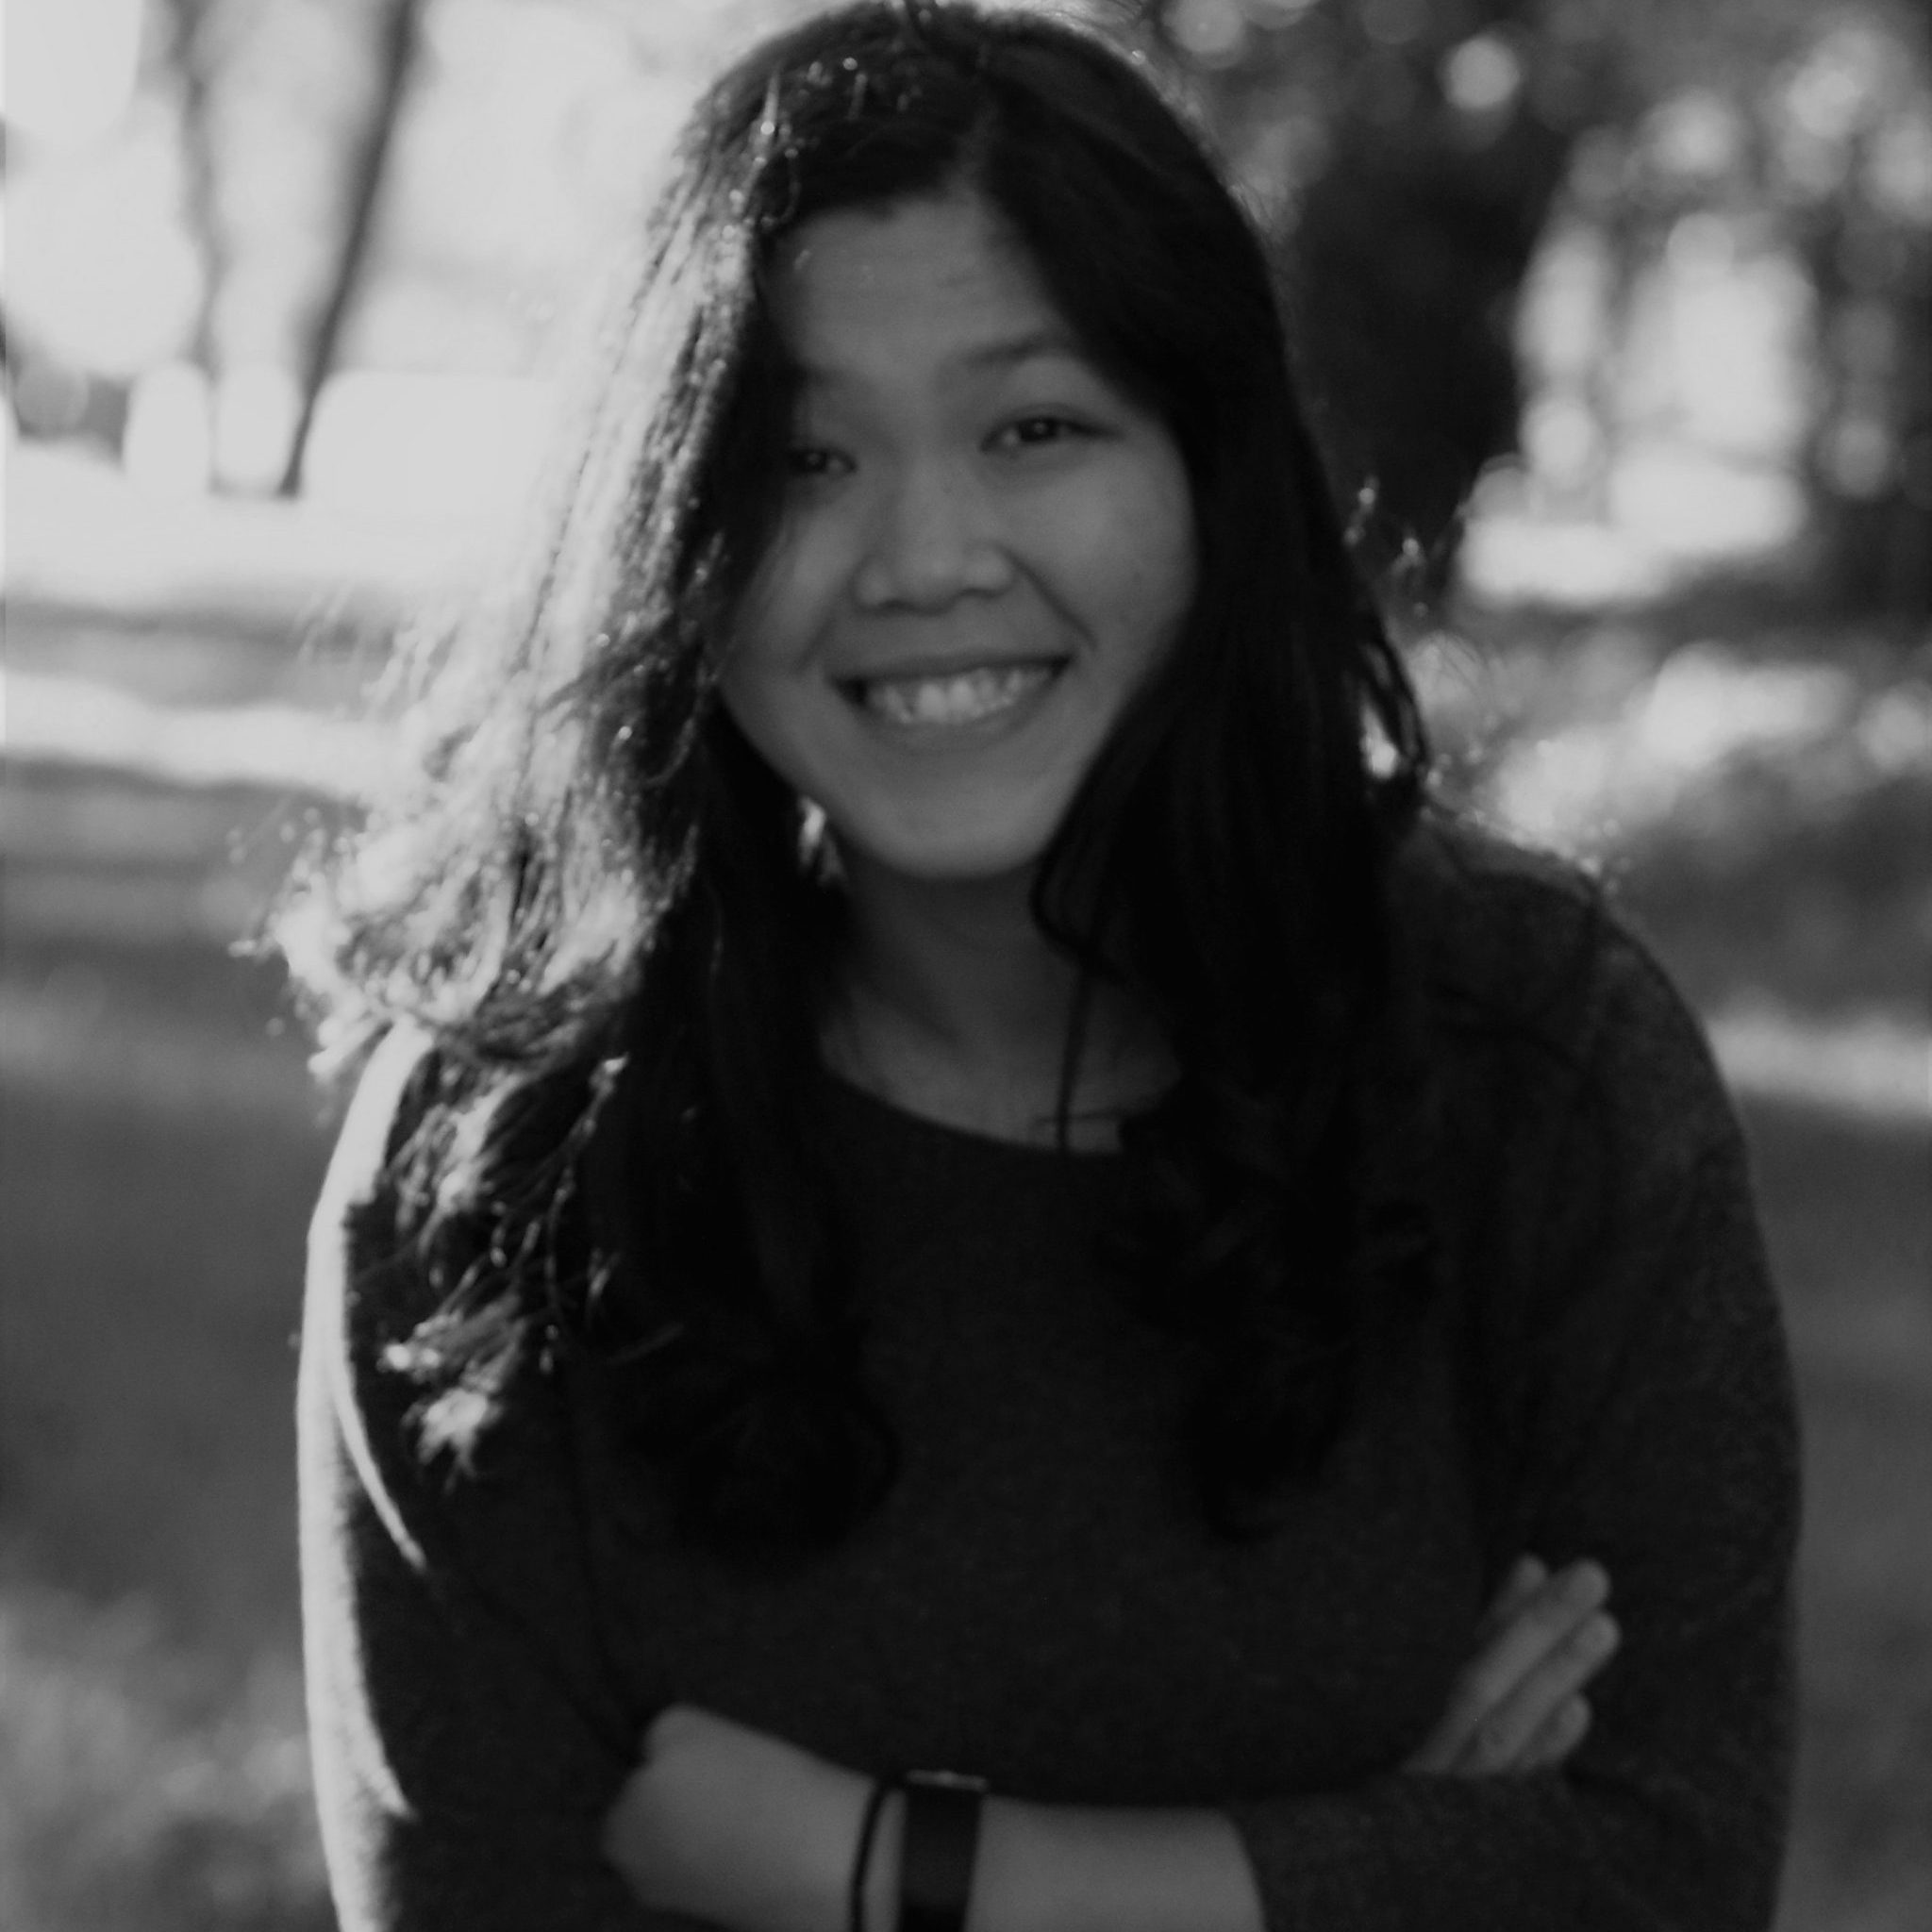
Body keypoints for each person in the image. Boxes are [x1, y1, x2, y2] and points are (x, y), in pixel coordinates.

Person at [285, 4, 1801, 1929]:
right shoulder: (495, 1177)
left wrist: (873, 1867)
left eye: (1035, 427)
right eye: (803, 455)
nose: (923, 554)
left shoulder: (1534, 1054)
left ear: (1209, 474)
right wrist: (1373, 1861)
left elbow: (1660, 1876)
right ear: (673, 527)